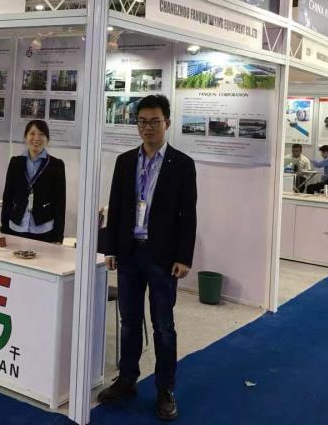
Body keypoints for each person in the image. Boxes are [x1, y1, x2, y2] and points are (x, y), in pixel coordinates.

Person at [98, 95, 197, 422]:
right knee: (128, 322)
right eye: (142, 121)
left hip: (162, 258)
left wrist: (184, 257)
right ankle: (127, 380)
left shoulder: (182, 164)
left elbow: (188, 215)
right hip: (129, 254)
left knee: (163, 326)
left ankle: (165, 389)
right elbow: (116, 208)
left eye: (154, 121)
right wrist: (110, 249)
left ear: (167, 122)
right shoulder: (125, 161)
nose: (148, 127)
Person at [1, 120, 66, 244]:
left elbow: (60, 203)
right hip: (16, 226)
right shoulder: (15, 162)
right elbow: (7, 197)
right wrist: (4, 229)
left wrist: (58, 237)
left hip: (44, 228)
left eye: (41, 134)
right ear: (26, 137)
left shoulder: (56, 165)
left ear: (47, 139)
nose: (36, 138)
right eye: (32, 133)